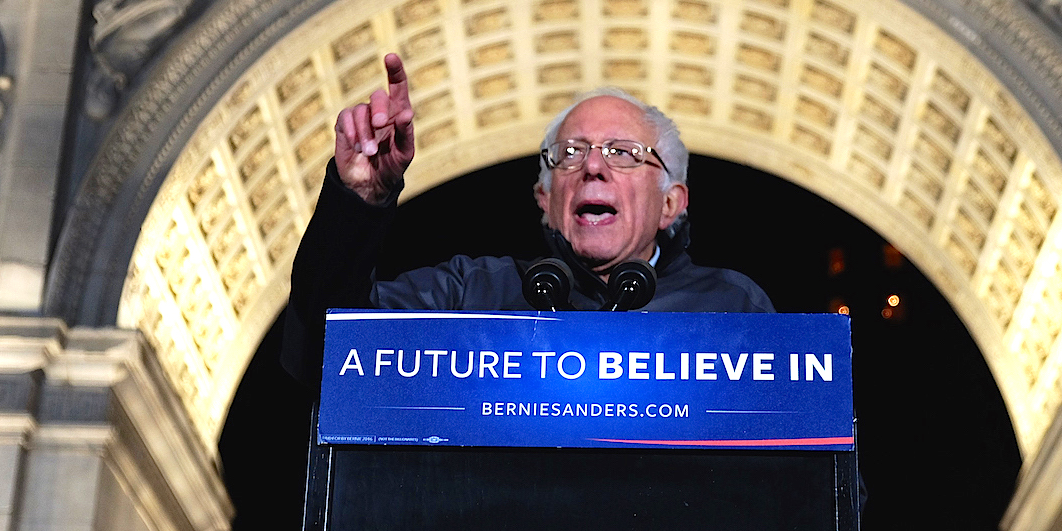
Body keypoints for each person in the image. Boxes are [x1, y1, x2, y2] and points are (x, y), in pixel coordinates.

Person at [281, 52, 774, 389]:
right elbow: (331, 346)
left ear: (672, 203)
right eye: (571, 152)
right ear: (544, 196)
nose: (593, 166)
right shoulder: (469, 294)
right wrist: (360, 198)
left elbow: (808, 457)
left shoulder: (733, 308)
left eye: (623, 153)